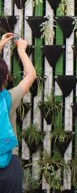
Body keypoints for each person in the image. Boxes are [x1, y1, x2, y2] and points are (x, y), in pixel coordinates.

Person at [0, 33, 37, 192]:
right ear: (6, 78)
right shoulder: (8, 99)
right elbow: (31, 75)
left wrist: (0, 45)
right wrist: (21, 50)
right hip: (9, 164)